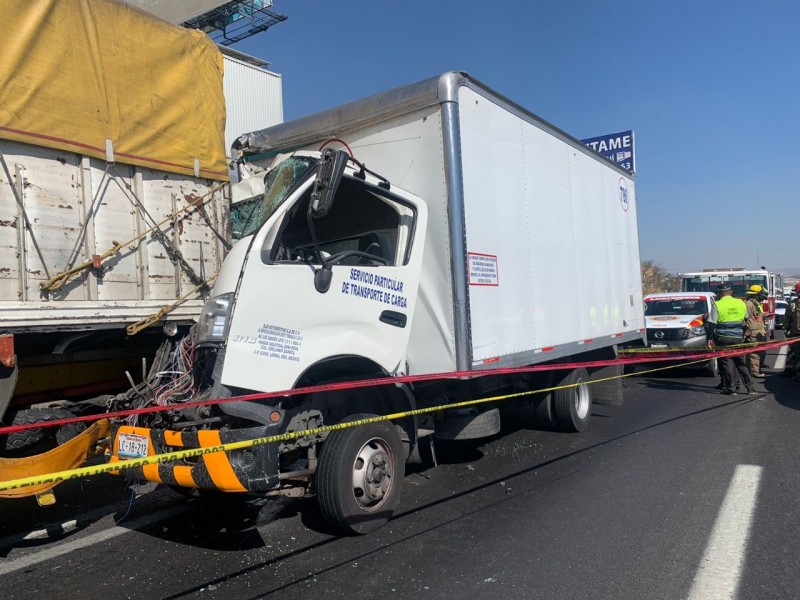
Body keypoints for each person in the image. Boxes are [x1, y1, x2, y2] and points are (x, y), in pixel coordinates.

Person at [709, 283, 752, 395]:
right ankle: (750, 388)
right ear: (731, 292)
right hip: (738, 337)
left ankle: (731, 388)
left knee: (727, 363)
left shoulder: (717, 304)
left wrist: (710, 338)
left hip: (723, 338)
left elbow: (712, 324)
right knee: (740, 363)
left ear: (719, 293)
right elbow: (746, 318)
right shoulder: (740, 303)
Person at [744, 284, 767, 378]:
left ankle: (754, 369)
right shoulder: (748, 304)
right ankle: (754, 371)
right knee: (755, 353)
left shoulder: (756, 303)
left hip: (760, 331)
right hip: (753, 332)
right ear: (757, 294)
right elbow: (745, 318)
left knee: (760, 352)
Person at [782, 282, 800, 380]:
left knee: (796, 354)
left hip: (795, 335)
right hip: (795, 335)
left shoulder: (793, 304)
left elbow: (786, 320)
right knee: (795, 354)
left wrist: (785, 329)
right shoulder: (793, 304)